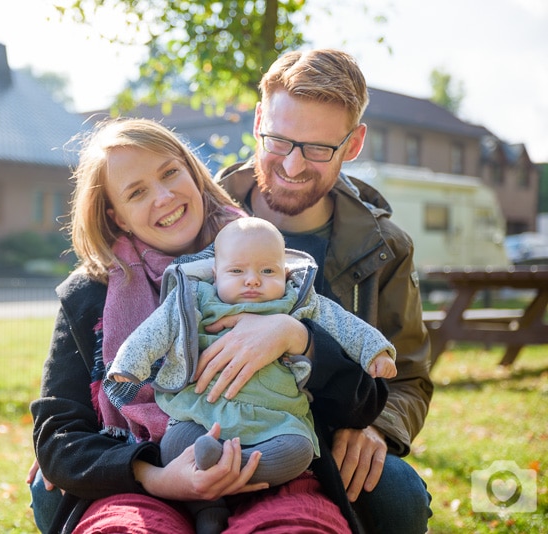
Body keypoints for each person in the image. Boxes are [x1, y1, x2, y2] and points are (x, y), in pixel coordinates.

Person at [30, 117, 388, 534]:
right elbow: (58, 434)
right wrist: (156, 476)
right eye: (138, 191)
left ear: (192, 172)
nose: (164, 196)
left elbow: (363, 401)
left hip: (277, 472)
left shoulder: (275, 262)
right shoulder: (88, 295)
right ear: (118, 217)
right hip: (138, 489)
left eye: (169, 173)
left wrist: (297, 338)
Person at [214, 48, 434, 533]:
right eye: (279, 140)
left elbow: (410, 376)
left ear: (353, 144)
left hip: (328, 437)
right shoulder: (200, 219)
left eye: (318, 148)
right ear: (257, 120)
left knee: (399, 494)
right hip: (203, 428)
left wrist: (378, 427)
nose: (292, 165)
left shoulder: (386, 247)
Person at [107, 216, 397, 533]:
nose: (252, 281)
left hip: (274, 420)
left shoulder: (296, 302)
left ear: (285, 272)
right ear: (215, 274)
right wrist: (129, 364)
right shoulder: (196, 299)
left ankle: (233, 469)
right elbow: (156, 329)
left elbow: (343, 323)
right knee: (175, 442)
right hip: (204, 414)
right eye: (237, 271)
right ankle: (208, 508)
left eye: (267, 271)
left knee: (299, 451)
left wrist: (375, 351)